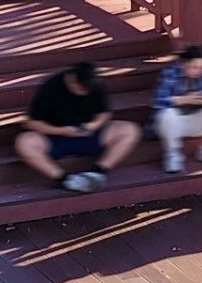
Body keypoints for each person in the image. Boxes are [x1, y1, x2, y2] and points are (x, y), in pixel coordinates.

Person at [15, 61, 140, 193]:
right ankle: (65, 179)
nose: (85, 93)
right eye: (82, 89)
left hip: (89, 133)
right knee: (24, 142)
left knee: (129, 129)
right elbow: (31, 122)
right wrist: (60, 131)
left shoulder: (94, 84)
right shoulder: (51, 86)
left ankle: (98, 172)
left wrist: (92, 126)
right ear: (72, 81)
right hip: (55, 135)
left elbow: (104, 113)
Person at [153, 43, 202, 176]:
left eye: (201, 67)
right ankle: (173, 153)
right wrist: (185, 99)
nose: (198, 71)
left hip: (198, 120)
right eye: (194, 67)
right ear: (184, 63)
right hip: (176, 123)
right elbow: (158, 101)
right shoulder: (171, 74)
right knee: (166, 114)